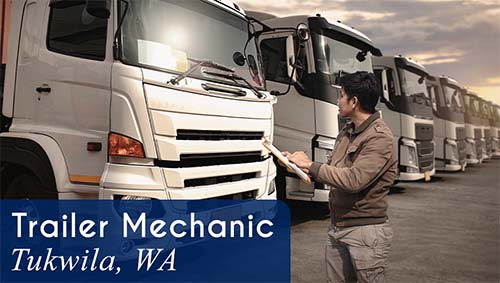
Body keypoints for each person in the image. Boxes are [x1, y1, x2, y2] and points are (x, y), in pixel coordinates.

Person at [284, 71, 397, 283]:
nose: (337, 101)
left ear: (354, 102)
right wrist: (298, 166)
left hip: (364, 232)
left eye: (341, 95)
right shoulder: (346, 132)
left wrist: (310, 164)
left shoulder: (379, 137)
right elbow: (333, 172)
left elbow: (354, 180)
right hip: (338, 227)